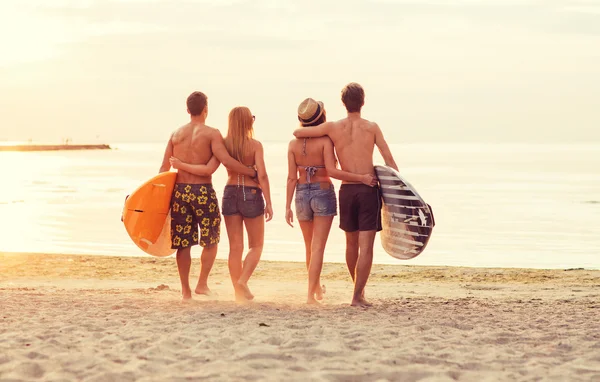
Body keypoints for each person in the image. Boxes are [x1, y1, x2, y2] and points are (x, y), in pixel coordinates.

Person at [293, 83, 399, 308]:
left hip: (346, 190)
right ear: (363, 101)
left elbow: (298, 132)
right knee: (366, 246)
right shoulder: (371, 127)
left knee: (351, 244)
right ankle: (357, 295)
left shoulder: (333, 128)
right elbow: (388, 158)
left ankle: (356, 289)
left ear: (343, 103)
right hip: (368, 188)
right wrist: (399, 188)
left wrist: (318, 128)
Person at [159, 91, 257, 301]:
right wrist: (251, 172)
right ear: (206, 110)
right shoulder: (212, 134)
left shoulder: (175, 134)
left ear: (188, 110)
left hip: (180, 191)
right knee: (210, 240)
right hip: (202, 191)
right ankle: (202, 283)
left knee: (183, 243)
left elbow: (164, 168)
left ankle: (185, 291)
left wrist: (158, 199)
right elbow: (225, 162)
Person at [287, 98, 377, 304]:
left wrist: (286, 206)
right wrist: (362, 177)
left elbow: (291, 177)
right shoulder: (326, 141)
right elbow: (332, 171)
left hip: (300, 194)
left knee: (309, 247)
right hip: (322, 192)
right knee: (318, 248)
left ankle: (314, 290)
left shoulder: (293, 144)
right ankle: (312, 294)